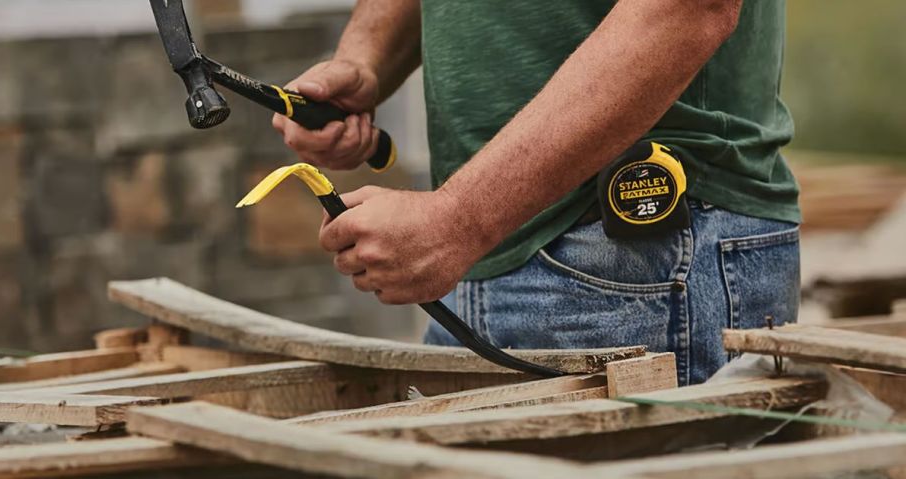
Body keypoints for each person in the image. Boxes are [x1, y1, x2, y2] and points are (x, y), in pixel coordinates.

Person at [271, 0, 800, 386]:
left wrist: (459, 221)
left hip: (642, 256)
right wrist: (367, 57)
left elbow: (687, 8)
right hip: (477, 252)